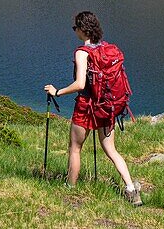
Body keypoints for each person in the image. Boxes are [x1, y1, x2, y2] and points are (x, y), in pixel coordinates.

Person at [44, 11, 142, 207]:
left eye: (75, 28)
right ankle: (131, 189)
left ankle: (70, 188)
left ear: (82, 30)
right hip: (107, 107)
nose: (74, 31)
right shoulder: (107, 49)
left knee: (75, 148)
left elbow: (80, 84)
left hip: (87, 107)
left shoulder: (82, 52)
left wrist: (57, 92)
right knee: (112, 150)